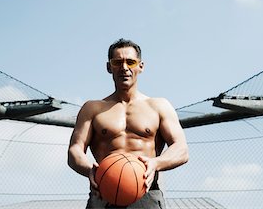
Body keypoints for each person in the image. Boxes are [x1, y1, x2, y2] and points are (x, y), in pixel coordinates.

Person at [68, 38, 189, 208]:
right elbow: (75, 149)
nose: (124, 67)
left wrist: (156, 163)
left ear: (141, 66)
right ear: (109, 67)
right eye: (117, 62)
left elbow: (182, 149)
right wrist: (90, 169)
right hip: (103, 192)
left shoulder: (159, 106)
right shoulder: (92, 108)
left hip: (146, 193)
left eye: (130, 62)